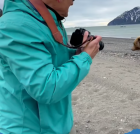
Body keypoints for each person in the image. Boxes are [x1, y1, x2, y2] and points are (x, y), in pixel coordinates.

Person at [0, 0, 101, 134]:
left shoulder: (47, 19)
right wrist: (84, 58)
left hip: (58, 122)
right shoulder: (16, 25)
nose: (73, 2)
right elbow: (46, 89)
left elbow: (53, 60)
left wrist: (77, 52)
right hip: (29, 128)